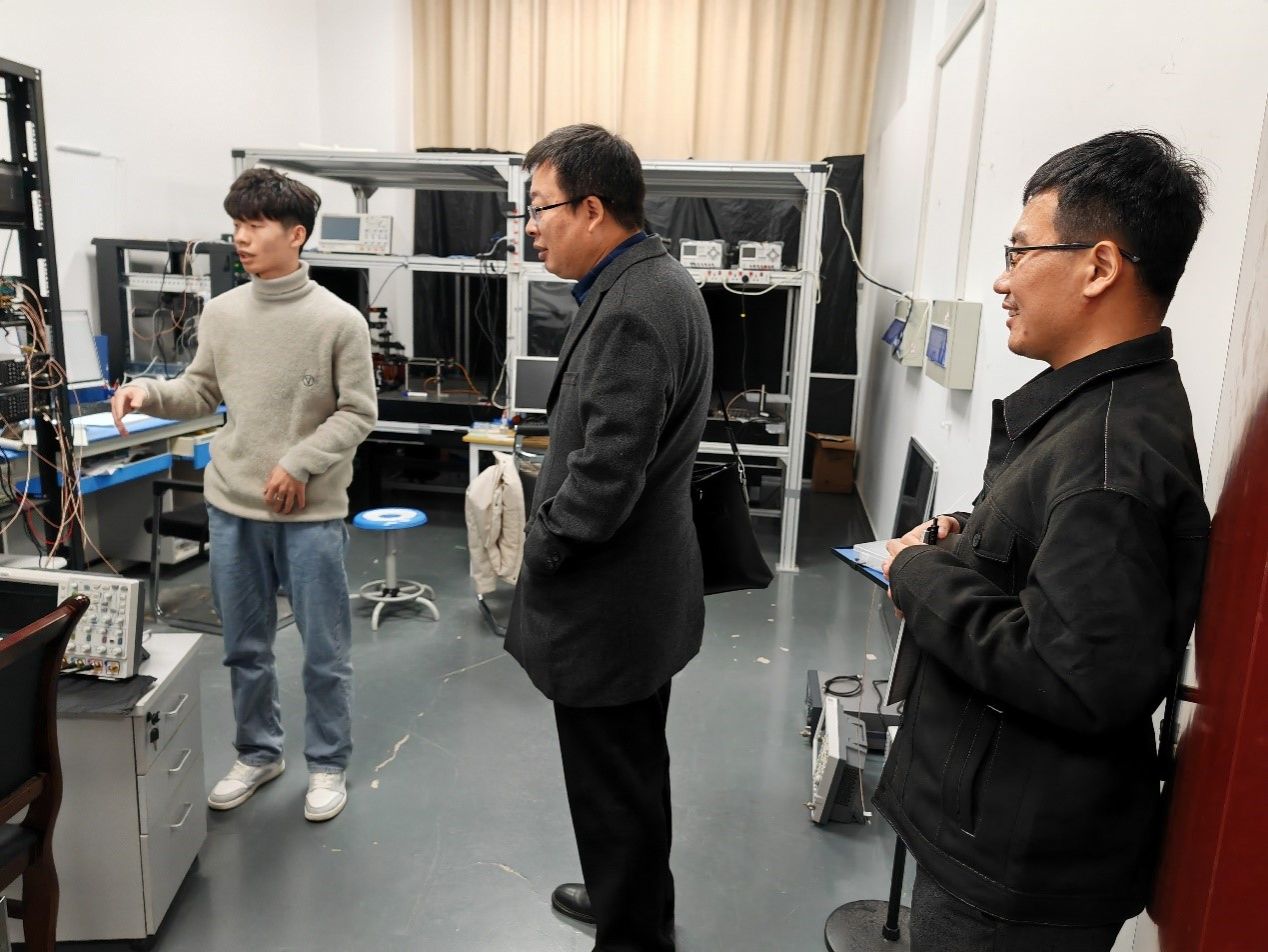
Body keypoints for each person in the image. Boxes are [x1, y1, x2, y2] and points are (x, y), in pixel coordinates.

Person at [876, 130, 1211, 951]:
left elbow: (1073, 674)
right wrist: (966, 540)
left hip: (1010, 877)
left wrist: (917, 574)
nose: (1003, 279)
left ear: (1099, 267)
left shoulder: (1111, 454)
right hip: (996, 835)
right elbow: (1056, 570)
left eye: (1021, 252)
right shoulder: (1094, 411)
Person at [111, 168, 377, 822]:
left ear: (297, 234)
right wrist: (149, 393)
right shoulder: (224, 313)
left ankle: (327, 763)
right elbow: (201, 390)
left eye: (256, 225)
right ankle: (259, 753)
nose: (242, 238)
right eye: (237, 225)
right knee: (245, 648)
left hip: (309, 514)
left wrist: (299, 463)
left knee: (324, 652)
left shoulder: (338, 321)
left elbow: (357, 412)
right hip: (233, 507)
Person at [505, 124, 713, 951]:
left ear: (592, 208)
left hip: (610, 605)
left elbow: (605, 476)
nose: (531, 226)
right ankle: (630, 900)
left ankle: (632, 935)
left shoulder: (633, 307)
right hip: (642, 594)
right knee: (631, 774)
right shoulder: (652, 281)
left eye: (540, 207)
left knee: (612, 786)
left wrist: (544, 543)